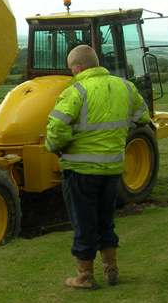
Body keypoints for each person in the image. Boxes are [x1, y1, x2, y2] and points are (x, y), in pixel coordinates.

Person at [45, 45, 151, 290]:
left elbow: (57, 131)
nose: (71, 73)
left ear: (78, 67)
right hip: (112, 169)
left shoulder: (75, 91)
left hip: (80, 171)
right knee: (106, 221)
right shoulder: (125, 86)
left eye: (72, 68)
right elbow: (142, 117)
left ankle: (84, 277)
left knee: (83, 223)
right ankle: (111, 271)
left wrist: (55, 147)